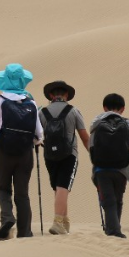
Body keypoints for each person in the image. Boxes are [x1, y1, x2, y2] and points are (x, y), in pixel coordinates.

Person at [0, 63, 44, 240]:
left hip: (3, 152)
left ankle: (7, 217)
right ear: (23, 80)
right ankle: (25, 232)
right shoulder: (31, 103)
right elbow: (39, 134)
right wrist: (34, 141)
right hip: (25, 154)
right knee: (22, 194)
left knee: (3, 188)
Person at [90, 93, 129, 238]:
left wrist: (95, 168)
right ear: (123, 108)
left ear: (104, 108)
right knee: (117, 200)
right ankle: (114, 229)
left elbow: (92, 147)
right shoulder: (128, 124)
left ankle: (112, 230)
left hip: (101, 169)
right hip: (122, 169)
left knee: (108, 200)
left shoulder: (96, 123)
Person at [40, 80, 90, 235]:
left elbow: (37, 135)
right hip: (69, 154)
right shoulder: (73, 111)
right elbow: (84, 136)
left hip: (49, 155)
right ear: (66, 94)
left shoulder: (41, 112)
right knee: (63, 187)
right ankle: (57, 222)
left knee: (58, 187)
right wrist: (93, 154)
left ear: (50, 95)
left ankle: (64, 221)